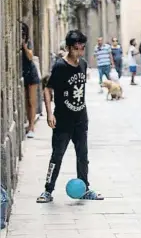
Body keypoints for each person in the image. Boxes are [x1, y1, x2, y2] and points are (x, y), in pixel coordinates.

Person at [36, 30, 104, 203]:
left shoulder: (82, 64)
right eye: (76, 49)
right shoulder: (60, 66)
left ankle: (85, 188)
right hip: (63, 120)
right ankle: (48, 190)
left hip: (81, 118)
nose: (79, 52)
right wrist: (50, 113)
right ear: (68, 48)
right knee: (57, 155)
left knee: (83, 155)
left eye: (82, 49)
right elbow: (47, 89)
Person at [22, 22, 40, 138]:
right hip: (23, 73)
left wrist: (24, 46)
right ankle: (29, 124)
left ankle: (32, 127)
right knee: (26, 101)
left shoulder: (28, 42)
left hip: (31, 73)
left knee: (32, 101)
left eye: (23, 32)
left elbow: (30, 56)